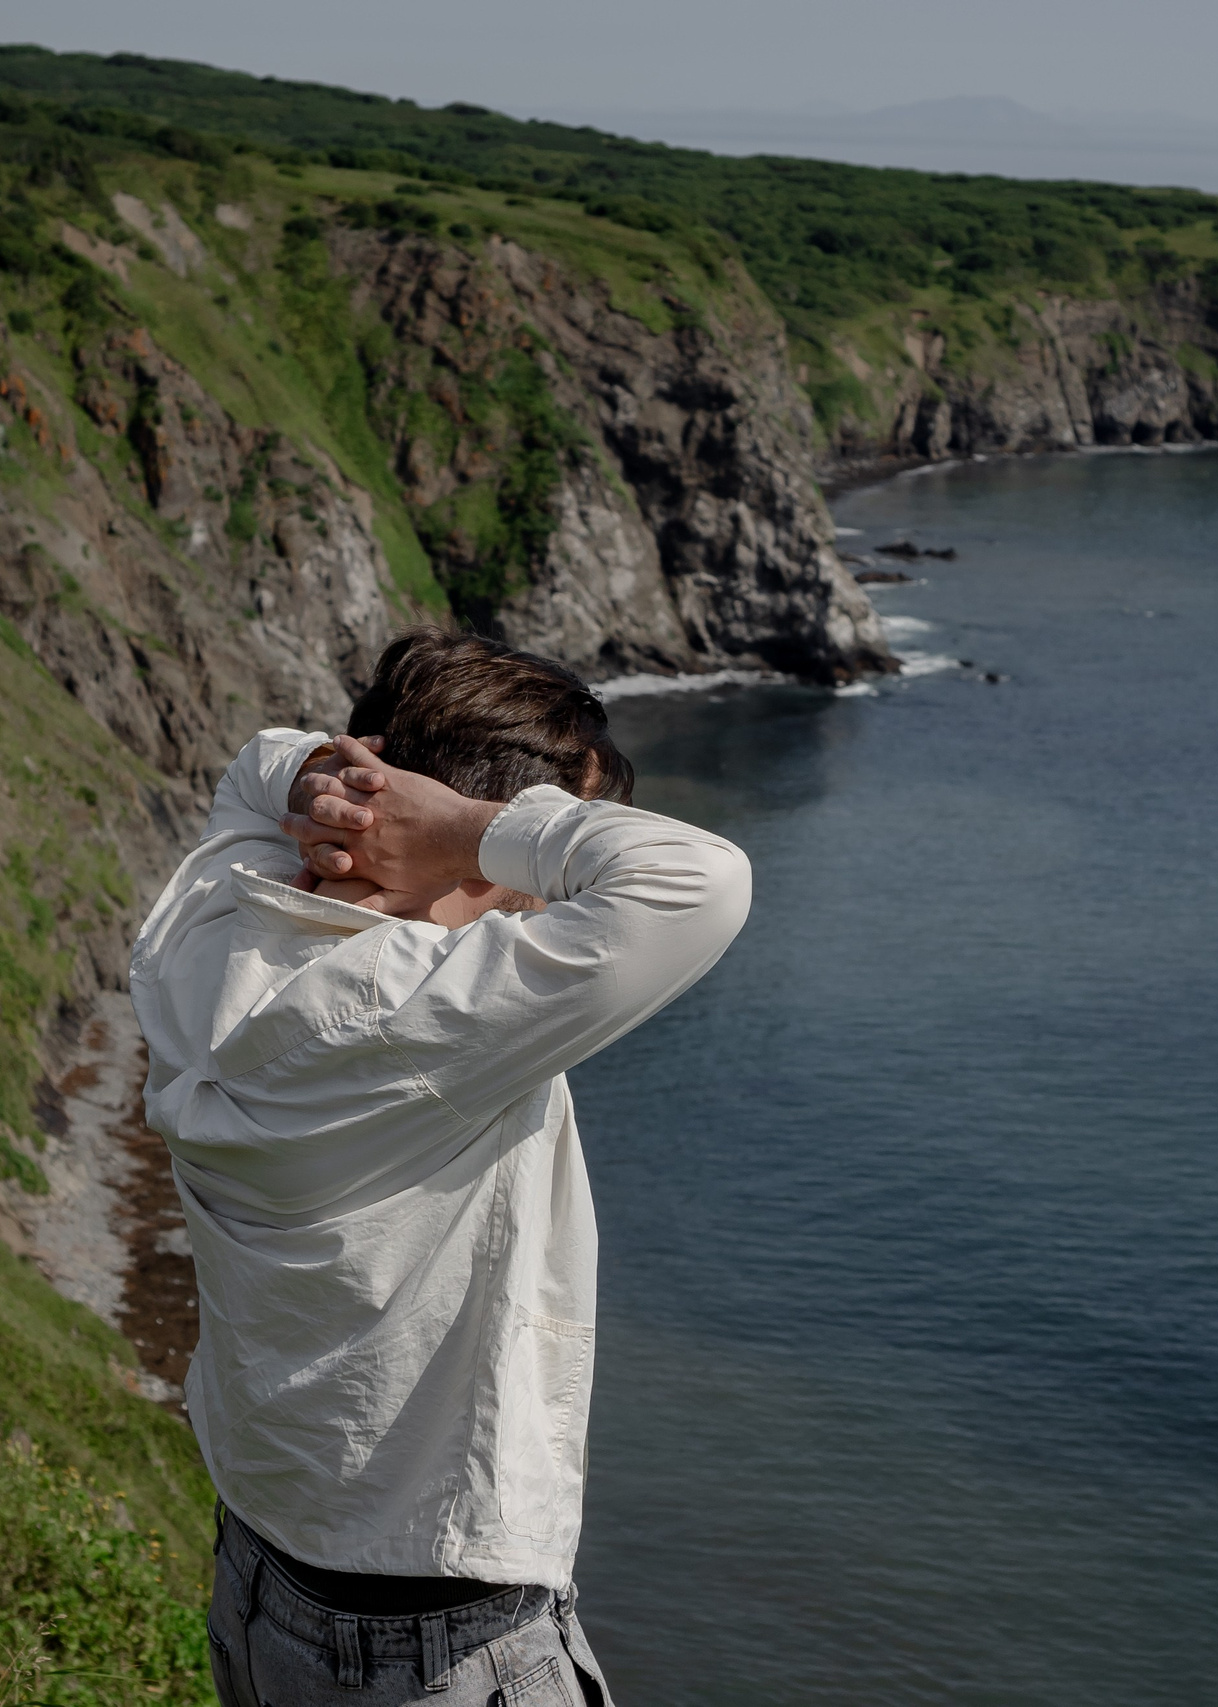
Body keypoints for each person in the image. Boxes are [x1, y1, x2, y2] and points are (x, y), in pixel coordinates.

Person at [128, 630, 752, 1706]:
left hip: (262, 1576)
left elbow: (254, 766)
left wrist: (335, 783)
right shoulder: (421, 1019)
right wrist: (471, 834)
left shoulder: (200, 934)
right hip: (436, 1645)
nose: (545, 899)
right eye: (532, 860)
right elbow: (700, 881)